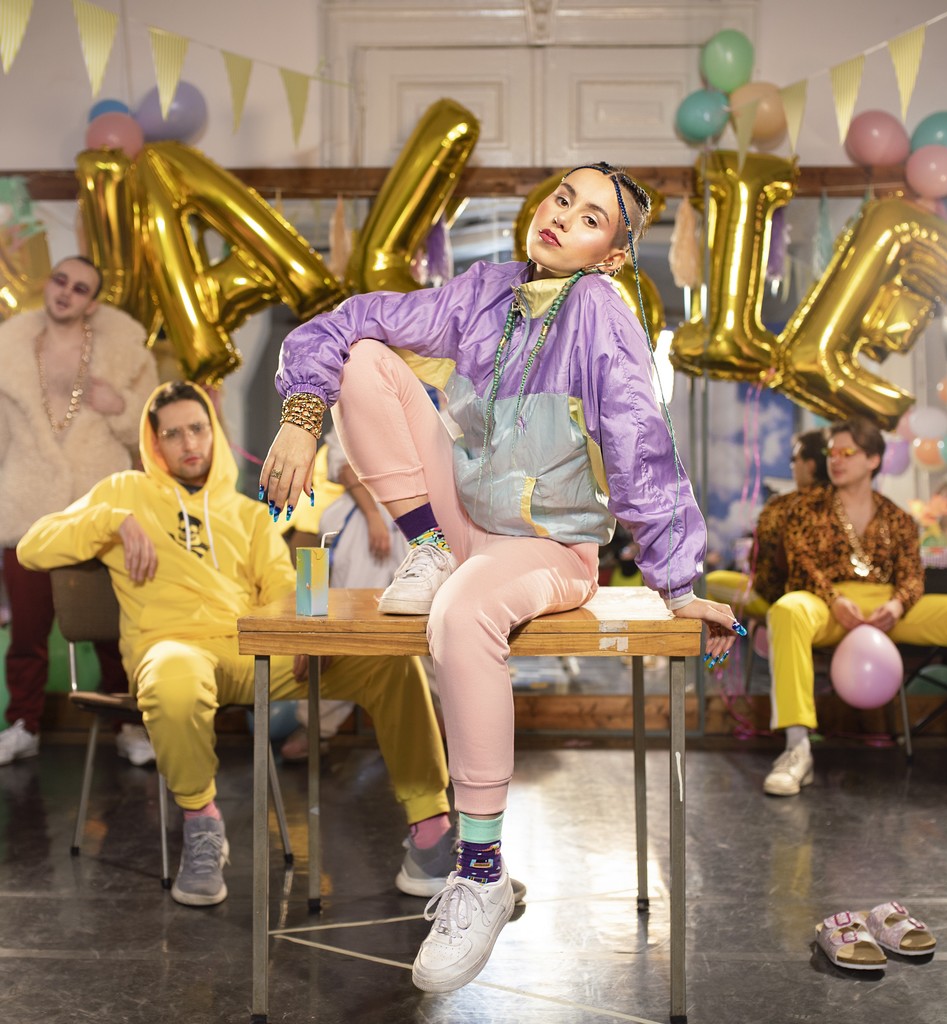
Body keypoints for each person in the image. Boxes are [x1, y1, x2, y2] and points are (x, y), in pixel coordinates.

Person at [260, 162, 741, 991]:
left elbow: (638, 436)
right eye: (564, 198)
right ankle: (427, 547)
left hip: (550, 545)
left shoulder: (600, 310)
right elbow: (346, 322)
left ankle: (480, 871)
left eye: (591, 219)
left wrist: (676, 579)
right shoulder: (486, 290)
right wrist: (303, 416)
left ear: (610, 255)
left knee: (459, 615)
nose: (563, 217)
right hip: (464, 527)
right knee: (365, 357)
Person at [17, 381, 460, 908]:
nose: (189, 443)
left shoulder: (248, 514)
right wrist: (111, 520)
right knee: (172, 676)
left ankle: (431, 833)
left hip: (254, 652)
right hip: (176, 650)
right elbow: (31, 548)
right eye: (173, 434)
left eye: (197, 428)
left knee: (392, 665)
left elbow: (280, 590)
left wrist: (301, 632)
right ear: (154, 443)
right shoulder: (123, 493)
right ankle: (202, 824)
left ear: (213, 432)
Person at [763, 417, 947, 797]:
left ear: (873, 459)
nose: (836, 460)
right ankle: (796, 748)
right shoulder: (805, 507)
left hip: (887, 604)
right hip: (825, 601)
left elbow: (913, 576)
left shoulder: (897, 517)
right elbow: (801, 563)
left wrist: (899, 605)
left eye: (847, 452)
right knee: (787, 611)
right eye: (832, 453)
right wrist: (834, 600)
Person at [0, 256, 158, 768]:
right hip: (25, 507)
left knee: (114, 630)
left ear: (92, 303)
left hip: (99, 508)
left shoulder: (124, 351)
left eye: (80, 288)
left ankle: (128, 725)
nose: (66, 292)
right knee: (26, 633)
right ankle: (24, 725)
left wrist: (121, 405)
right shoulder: (10, 348)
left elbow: (150, 431)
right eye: (60, 280)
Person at [280, 428, 406, 761]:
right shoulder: (351, 407)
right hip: (360, 524)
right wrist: (373, 515)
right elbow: (344, 465)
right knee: (347, 626)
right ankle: (315, 727)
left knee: (431, 630)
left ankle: (441, 730)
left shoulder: (439, 403)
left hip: (418, 518)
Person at [706, 428, 829, 618]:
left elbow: (765, 560)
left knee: (710, 583)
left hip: (777, 597)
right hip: (827, 598)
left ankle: (717, 638)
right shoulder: (838, 503)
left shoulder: (786, 506)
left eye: (794, 459)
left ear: (810, 465)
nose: (792, 466)